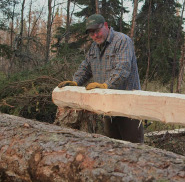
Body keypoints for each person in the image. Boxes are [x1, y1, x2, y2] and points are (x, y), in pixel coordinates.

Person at [58, 14, 144, 143]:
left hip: (128, 106)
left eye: (97, 31)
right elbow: (86, 68)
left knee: (134, 147)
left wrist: (106, 85)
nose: (95, 36)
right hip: (108, 106)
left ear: (105, 25)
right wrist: (75, 81)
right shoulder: (94, 47)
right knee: (113, 146)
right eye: (91, 34)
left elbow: (122, 69)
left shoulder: (122, 41)